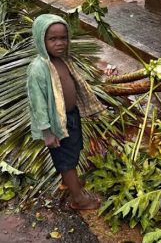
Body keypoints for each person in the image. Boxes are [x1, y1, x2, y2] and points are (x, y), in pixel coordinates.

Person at [27, 14, 104, 210]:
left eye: (63, 38)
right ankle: (78, 199)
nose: (59, 43)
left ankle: (70, 183)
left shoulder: (63, 60)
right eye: (53, 39)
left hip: (70, 117)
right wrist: (47, 132)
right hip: (55, 124)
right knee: (65, 159)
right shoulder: (38, 68)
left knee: (73, 151)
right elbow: (38, 103)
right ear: (40, 40)